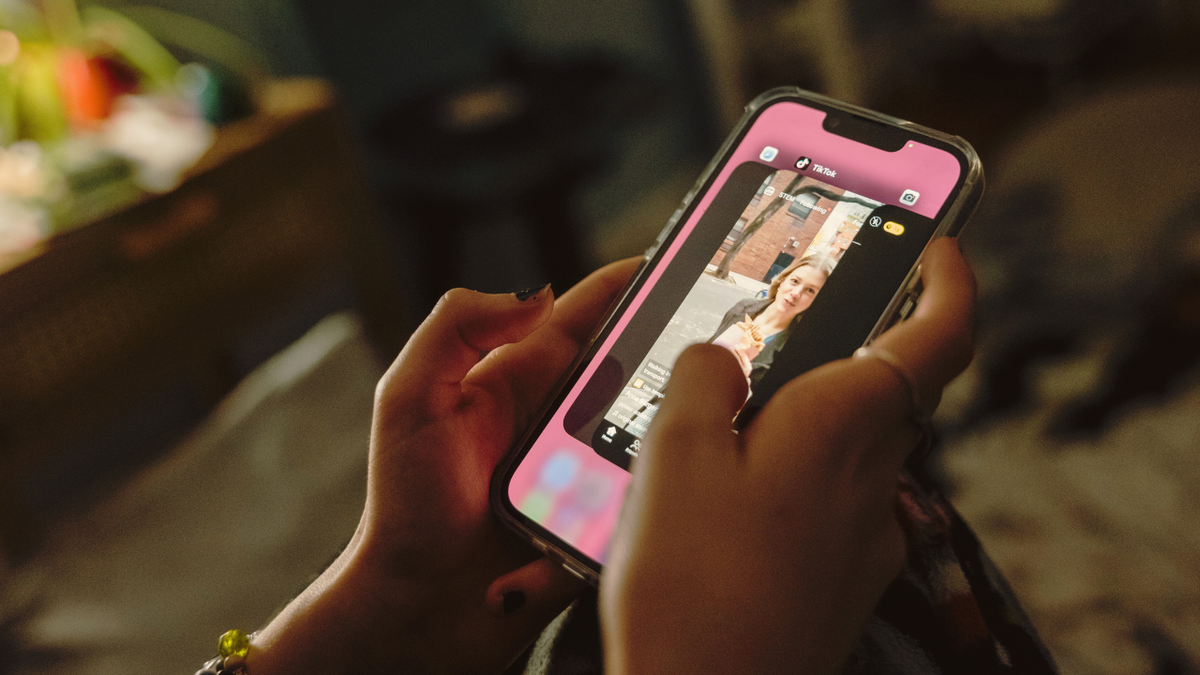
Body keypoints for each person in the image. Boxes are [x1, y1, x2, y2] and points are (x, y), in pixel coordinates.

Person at [202, 239, 1055, 675]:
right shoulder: (738, 325)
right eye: (793, 284)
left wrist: (393, 601)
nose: (798, 292)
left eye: (806, 288)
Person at [708, 255, 835, 391]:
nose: (796, 293)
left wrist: (743, 385)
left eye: (810, 291)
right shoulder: (743, 307)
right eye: (795, 281)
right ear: (782, 280)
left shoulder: (798, 351)